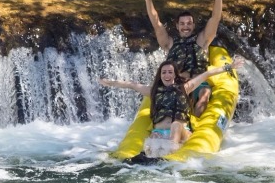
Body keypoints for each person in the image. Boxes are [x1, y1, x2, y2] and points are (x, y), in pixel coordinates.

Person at [99, 58, 242, 158]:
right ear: (160, 75)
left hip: (181, 132)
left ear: (175, 74)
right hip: (159, 132)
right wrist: (108, 83)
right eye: (164, 72)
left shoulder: (185, 88)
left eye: (170, 72)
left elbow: (206, 74)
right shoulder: (153, 91)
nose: (167, 75)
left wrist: (230, 67)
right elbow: (130, 84)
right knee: (153, 137)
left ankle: (171, 157)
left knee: (175, 125)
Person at [143, 0, 224, 117]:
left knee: (204, 96)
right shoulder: (169, 43)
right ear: (177, 26)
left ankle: (194, 126)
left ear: (193, 25)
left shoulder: (202, 40)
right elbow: (156, 24)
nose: (185, 26)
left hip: (199, 83)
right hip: (178, 85)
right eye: (182, 23)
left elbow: (215, 19)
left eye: (189, 23)